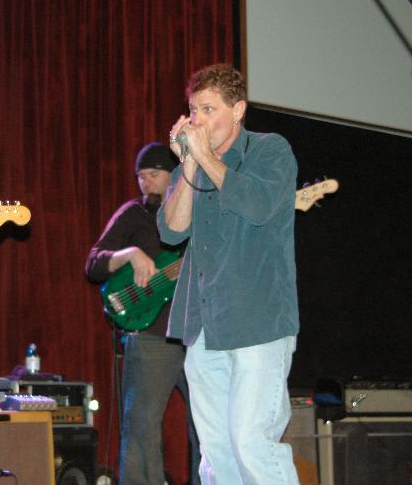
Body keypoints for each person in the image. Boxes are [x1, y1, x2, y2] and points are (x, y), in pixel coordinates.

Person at [158, 63, 299, 484]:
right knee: (216, 452)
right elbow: (171, 230)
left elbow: (257, 205)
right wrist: (189, 165)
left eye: (208, 109)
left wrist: (204, 157)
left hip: (258, 321)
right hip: (204, 325)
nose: (197, 121)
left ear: (238, 110)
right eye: (193, 110)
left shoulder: (270, 150)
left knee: (252, 443)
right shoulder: (193, 166)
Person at [85, 142, 201, 485]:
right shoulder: (133, 213)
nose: (145, 182)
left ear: (175, 175)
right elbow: (93, 264)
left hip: (199, 333)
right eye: (140, 176)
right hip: (152, 335)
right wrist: (130, 253)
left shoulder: (201, 210)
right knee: (141, 424)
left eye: (153, 174)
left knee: (208, 426)